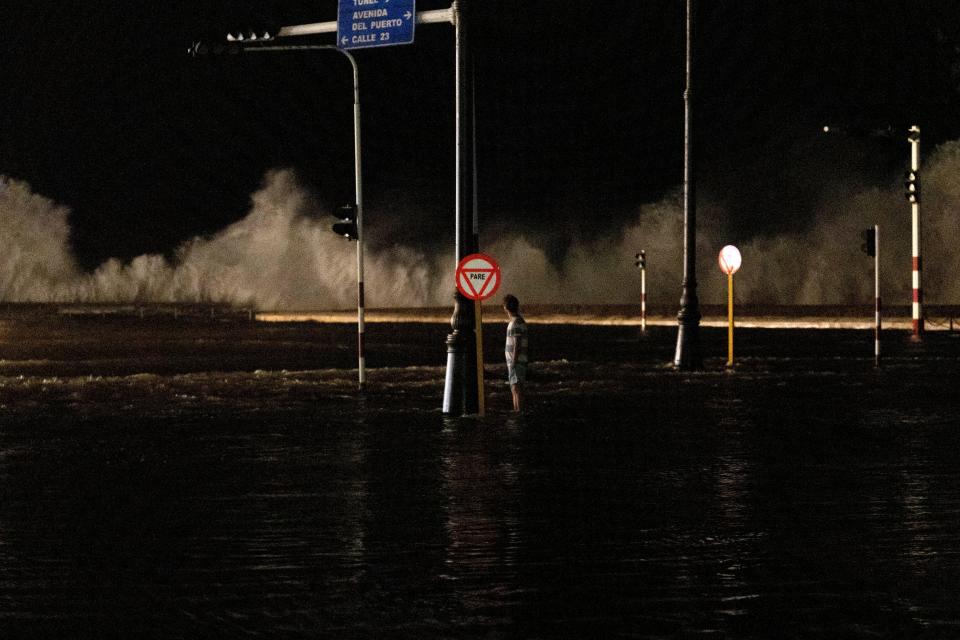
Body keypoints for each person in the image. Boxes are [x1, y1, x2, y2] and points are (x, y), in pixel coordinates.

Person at [502, 294, 528, 412]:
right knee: (516, 388)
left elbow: (517, 343)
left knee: (515, 389)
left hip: (516, 361)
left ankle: (518, 412)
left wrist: (513, 361)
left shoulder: (515, 324)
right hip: (519, 360)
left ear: (506, 308)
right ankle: (518, 411)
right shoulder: (520, 321)